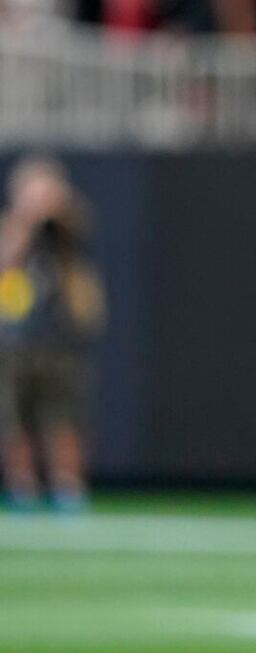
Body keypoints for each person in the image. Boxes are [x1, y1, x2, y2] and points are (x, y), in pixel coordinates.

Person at [0, 156, 106, 512]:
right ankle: (23, 487)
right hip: (13, 341)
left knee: (62, 418)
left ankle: (67, 489)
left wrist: (56, 206)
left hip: (59, 341)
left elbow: (83, 225)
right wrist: (27, 216)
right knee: (13, 420)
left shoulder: (65, 232)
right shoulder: (12, 227)